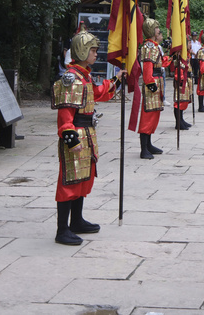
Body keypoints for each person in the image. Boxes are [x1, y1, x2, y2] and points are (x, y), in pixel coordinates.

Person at [51, 29, 119, 245]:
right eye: (92, 50)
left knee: (83, 179)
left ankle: (77, 221)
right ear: (81, 51)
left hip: (87, 136)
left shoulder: (84, 77)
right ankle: (62, 230)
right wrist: (71, 140)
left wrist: (117, 80)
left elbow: (98, 93)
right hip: (77, 138)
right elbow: (65, 115)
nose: (95, 54)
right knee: (70, 181)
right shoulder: (71, 80)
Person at [137, 20, 168, 159]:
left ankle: (149, 144)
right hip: (152, 83)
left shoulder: (155, 47)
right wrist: (150, 82)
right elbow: (148, 67)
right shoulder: (149, 47)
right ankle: (144, 148)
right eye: (156, 28)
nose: (158, 30)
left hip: (157, 82)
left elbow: (159, 63)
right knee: (147, 116)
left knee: (154, 115)